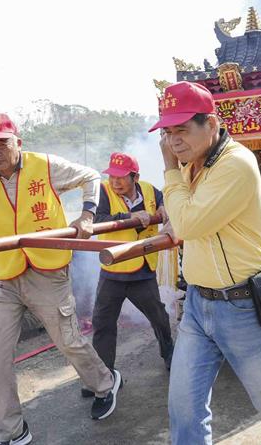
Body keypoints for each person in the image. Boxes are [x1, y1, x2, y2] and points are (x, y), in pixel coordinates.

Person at [153, 81, 261, 445]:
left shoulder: (235, 163)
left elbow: (189, 223)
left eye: (182, 130)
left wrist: (169, 173)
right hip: (197, 304)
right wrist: (176, 201)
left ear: (210, 124)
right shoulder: (193, 164)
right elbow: (181, 220)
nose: (173, 141)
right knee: (184, 408)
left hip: (242, 306)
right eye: (167, 132)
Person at [0, 113, 122, 445]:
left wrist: (87, 214)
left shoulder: (44, 166)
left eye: (3, 143)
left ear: (19, 142)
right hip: (6, 277)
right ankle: (10, 430)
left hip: (48, 271)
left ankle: (105, 382)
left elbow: (90, 176)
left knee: (68, 341)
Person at [88, 152, 173, 390]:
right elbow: (98, 219)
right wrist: (130, 217)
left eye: (121, 177)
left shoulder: (148, 189)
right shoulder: (103, 192)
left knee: (159, 316)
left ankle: (170, 354)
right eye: (112, 176)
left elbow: (164, 198)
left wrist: (165, 207)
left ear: (135, 177)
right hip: (113, 270)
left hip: (142, 269)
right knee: (103, 323)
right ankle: (103, 377)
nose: (115, 182)